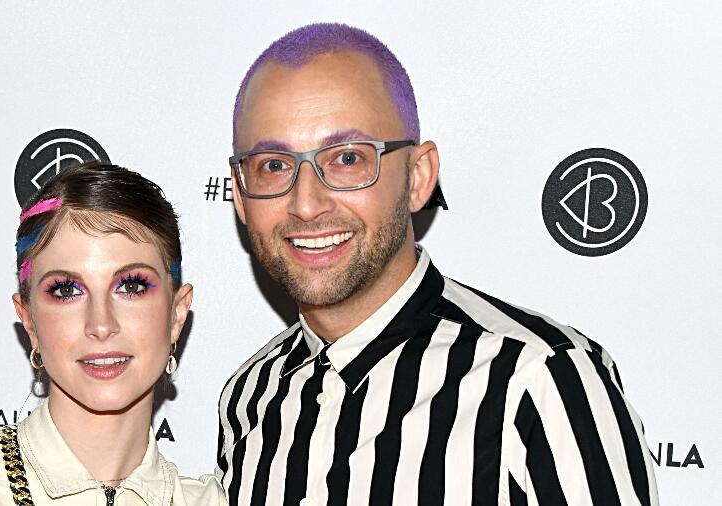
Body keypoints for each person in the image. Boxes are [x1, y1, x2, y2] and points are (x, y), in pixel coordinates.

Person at [217, 23, 658, 505]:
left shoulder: (540, 379)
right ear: (239, 194)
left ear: (418, 177)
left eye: (347, 158)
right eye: (273, 165)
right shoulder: (250, 395)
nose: (306, 203)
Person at [0, 163, 227, 505]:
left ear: (176, 314)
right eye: (67, 290)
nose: (101, 324)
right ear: (29, 320)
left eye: (131, 286)